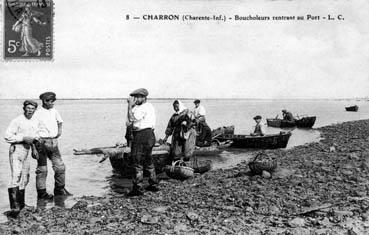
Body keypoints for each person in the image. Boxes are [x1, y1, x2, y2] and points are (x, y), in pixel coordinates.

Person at [4, 100, 44, 217]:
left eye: (32, 108)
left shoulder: (35, 121)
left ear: (35, 110)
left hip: (27, 149)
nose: (30, 110)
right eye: (28, 108)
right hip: (16, 149)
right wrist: (22, 138)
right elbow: (7, 136)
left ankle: (22, 205)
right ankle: (15, 208)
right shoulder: (17, 120)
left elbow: (34, 137)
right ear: (24, 108)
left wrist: (35, 148)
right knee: (16, 176)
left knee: (25, 178)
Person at [33, 92, 71, 200]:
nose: (53, 103)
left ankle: (59, 189)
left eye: (53, 101)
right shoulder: (37, 113)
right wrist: (34, 145)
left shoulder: (54, 111)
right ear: (45, 101)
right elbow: (31, 128)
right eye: (51, 101)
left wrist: (59, 132)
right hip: (41, 143)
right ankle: (42, 194)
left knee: (60, 167)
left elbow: (60, 122)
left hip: (53, 142)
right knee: (42, 169)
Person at [126, 88, 158, 196]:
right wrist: (132, 106)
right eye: (135, 97)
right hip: (149, 135)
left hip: (141, 135)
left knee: (137, 161)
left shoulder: (143, 107)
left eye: (139, 96)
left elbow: (131, 118)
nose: (136, 98)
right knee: (148, 160)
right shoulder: (149, 106)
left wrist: (129, 105)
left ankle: (138, 188)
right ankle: (153, 184)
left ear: (144, 97)